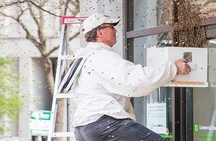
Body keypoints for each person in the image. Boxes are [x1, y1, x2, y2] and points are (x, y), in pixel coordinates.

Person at [73, 13, 191, 141]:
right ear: (99, 33)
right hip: (105, 125)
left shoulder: (85, 58)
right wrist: (173, 69)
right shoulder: (102, 56)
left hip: (84, 128)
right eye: (111, 27)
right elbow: (135, 80)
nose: (115, 30)